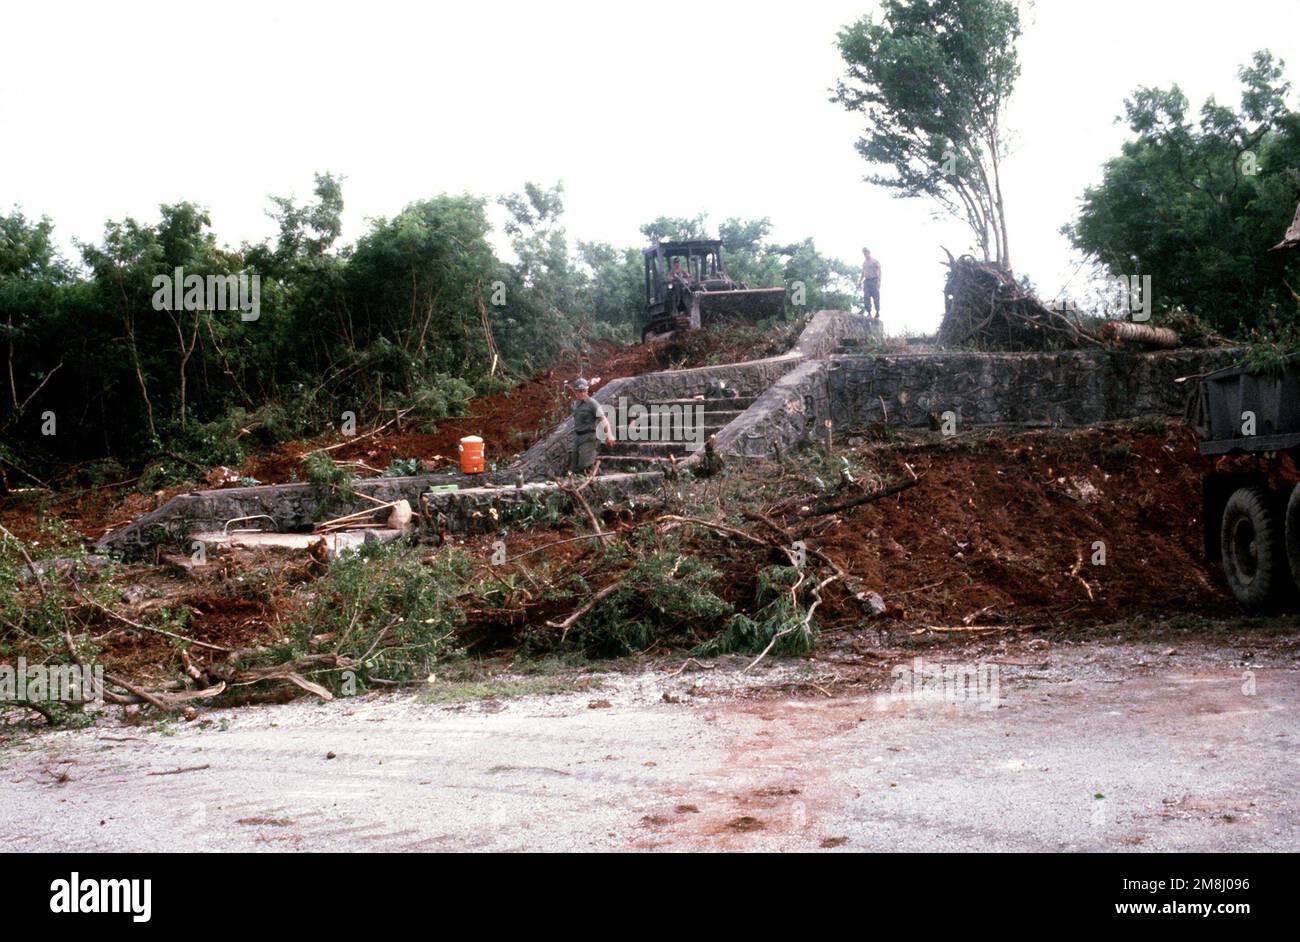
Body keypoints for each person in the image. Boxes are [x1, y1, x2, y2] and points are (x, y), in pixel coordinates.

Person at [570, 378, 615, 473]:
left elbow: (603, 419)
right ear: (575, 392)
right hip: (578, 437)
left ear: (587, 390)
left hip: (589, 437)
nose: (582, 393)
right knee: (574, 467)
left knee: (584, 465)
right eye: (579, 391)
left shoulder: (592, 403)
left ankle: (597, 474)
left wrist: (609, 435)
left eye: (584, 391)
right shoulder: (576, 404)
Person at [858, 247, 881, 318]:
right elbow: (863, 273)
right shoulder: (864, 263)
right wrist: (860, 281)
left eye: (866, 253)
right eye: (864, 253)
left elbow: (879, 271)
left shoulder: (875, 261)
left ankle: (877, 311)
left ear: (869, 252)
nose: (865, 254)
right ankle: (869, 312)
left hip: (874, 280)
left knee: (876, 297)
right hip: (867, 281)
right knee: (866, 297)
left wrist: (879, 281)